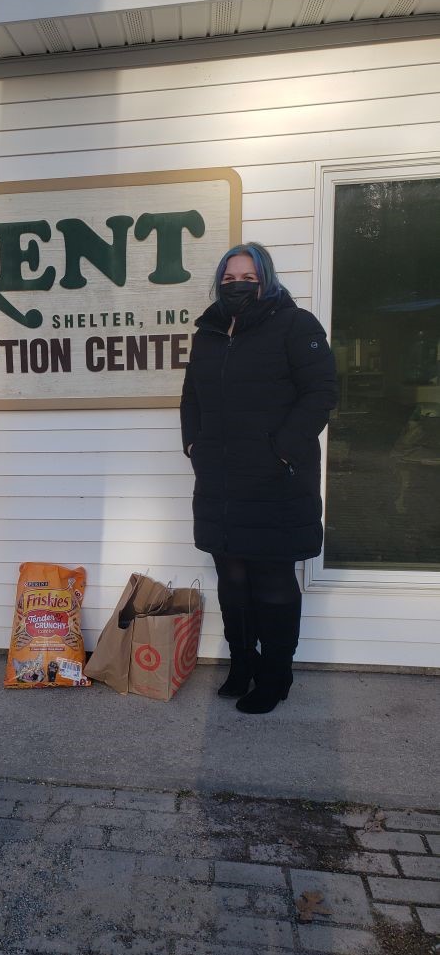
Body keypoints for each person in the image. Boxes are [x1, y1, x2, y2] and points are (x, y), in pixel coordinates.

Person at [180, 243, 337, 714]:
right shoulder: (208, 332)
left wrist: (282, 450)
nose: (237, 284)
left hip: (275, 479)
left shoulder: (296, 325)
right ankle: (242, 664)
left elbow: (321, 392)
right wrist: (194, 445)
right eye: (229, 278)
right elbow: (192, 398)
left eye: (246, 276)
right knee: (232, 576)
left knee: (271, 578)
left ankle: (276, 676)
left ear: (265, 279)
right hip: (220, 479)